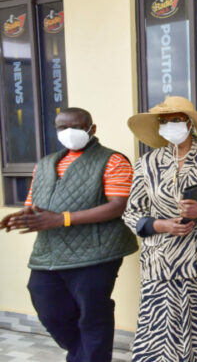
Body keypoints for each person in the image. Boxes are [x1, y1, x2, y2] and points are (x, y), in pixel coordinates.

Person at [0, 107, 137, 362]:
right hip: (49, 251)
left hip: (98, 251)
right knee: (47, 305)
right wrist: (24, 215)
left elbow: (118, 205)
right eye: (63, 127)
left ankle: (90, 357)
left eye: (76, 126)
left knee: (92, 313)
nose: (69, 132)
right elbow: (35, 202)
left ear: (92, 129)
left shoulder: (113, 160)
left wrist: (61, 218)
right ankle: (82, 354)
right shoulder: (45, 163)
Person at [123, 96, 197, 361]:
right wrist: (158, 224)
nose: (169, 125)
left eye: (175, 120)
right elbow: (131, 213)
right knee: (159, 340)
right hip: (159, 267)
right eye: (164, 121)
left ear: (190, 123)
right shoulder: (147, 163)